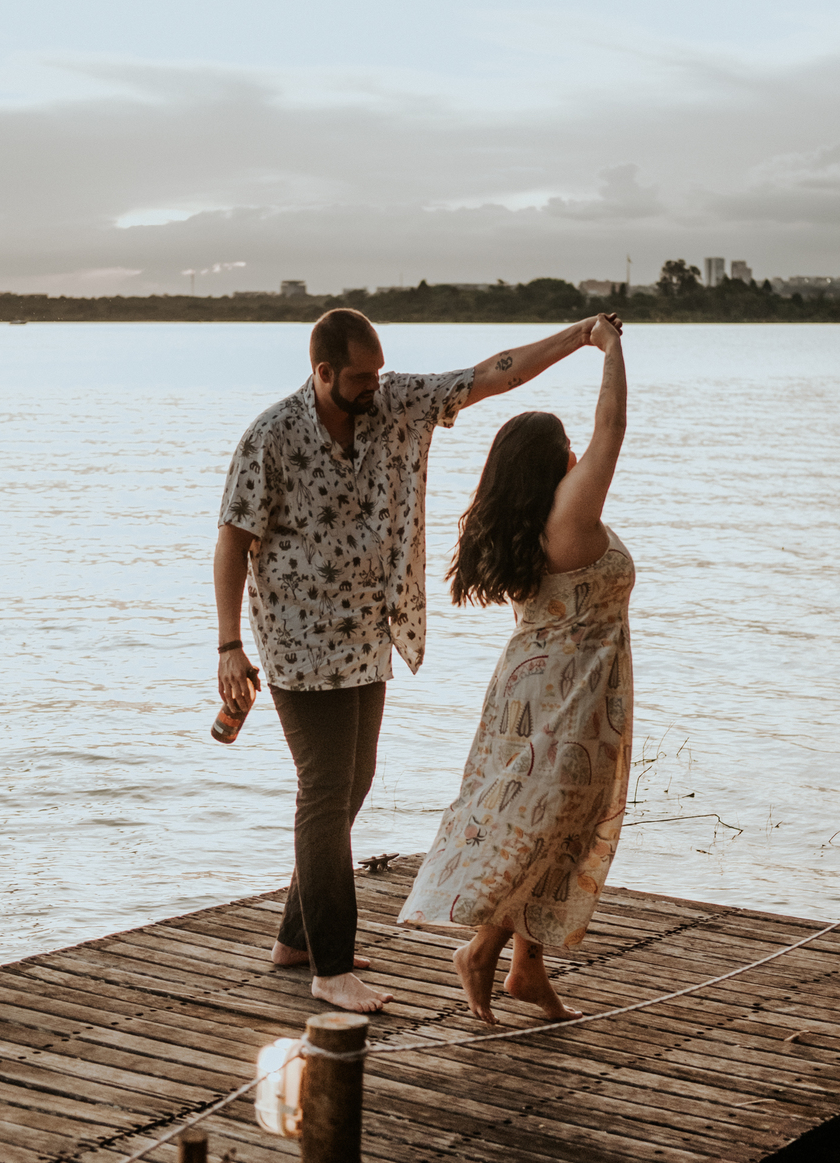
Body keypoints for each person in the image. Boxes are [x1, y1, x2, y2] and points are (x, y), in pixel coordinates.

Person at [213, 305, 622, 1014]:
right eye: (360, 377)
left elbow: (491, 375)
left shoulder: (394, 403)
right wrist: (229, 646)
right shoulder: (270, 438)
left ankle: (296, 938)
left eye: (378, 372)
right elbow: (232, 540)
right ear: (323, 372)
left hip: (368, 635)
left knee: (354, 782)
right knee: (324, 789)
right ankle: (330, 967)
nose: (375, 385)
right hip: (296, 640)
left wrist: (580, 336)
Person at [398, 313, 631, 1026]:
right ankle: (482, 951)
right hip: (567, 698)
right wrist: (607, 348)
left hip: (531, 690)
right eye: (566, 448)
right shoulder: (569, 514)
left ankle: (527, 968)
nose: (578, 453)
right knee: (545, 826)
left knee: (558, 822)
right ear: (554, 463)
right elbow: (612, 428)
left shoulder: (523, 522)